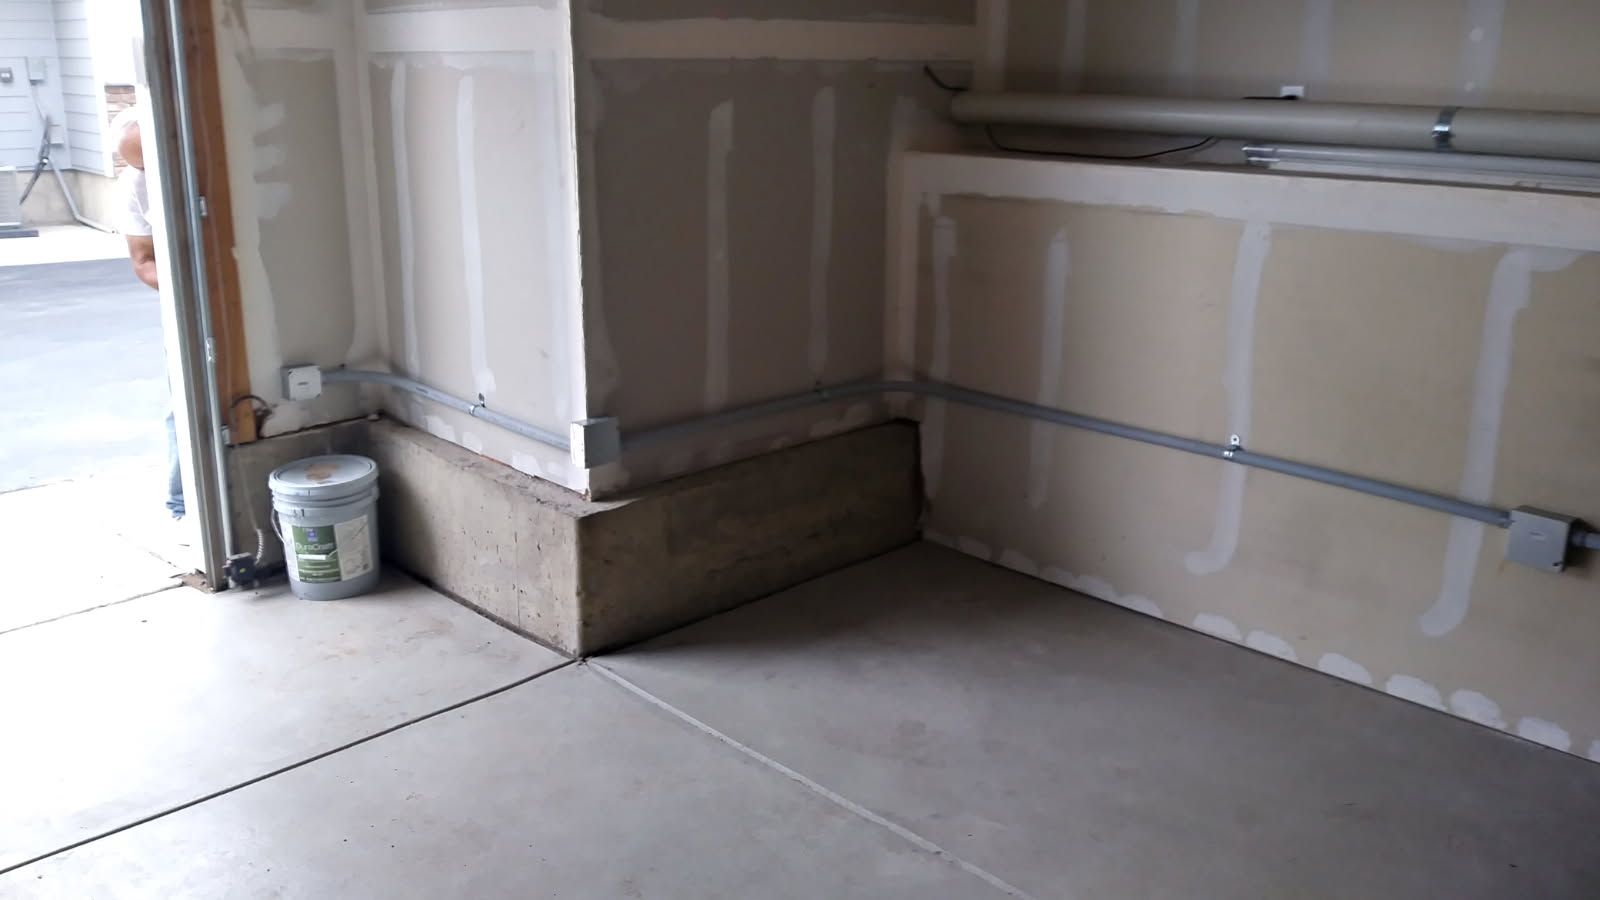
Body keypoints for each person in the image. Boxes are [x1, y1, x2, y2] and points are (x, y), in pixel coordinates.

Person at [115, 108, 184, 520]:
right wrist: (191, 294)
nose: (144, 174)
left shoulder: (199, 158)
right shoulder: (134, 186)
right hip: (187, 305)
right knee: (186, 404)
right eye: (137, 165)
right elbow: (143, 261)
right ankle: (181, 505)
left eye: (149, 163)